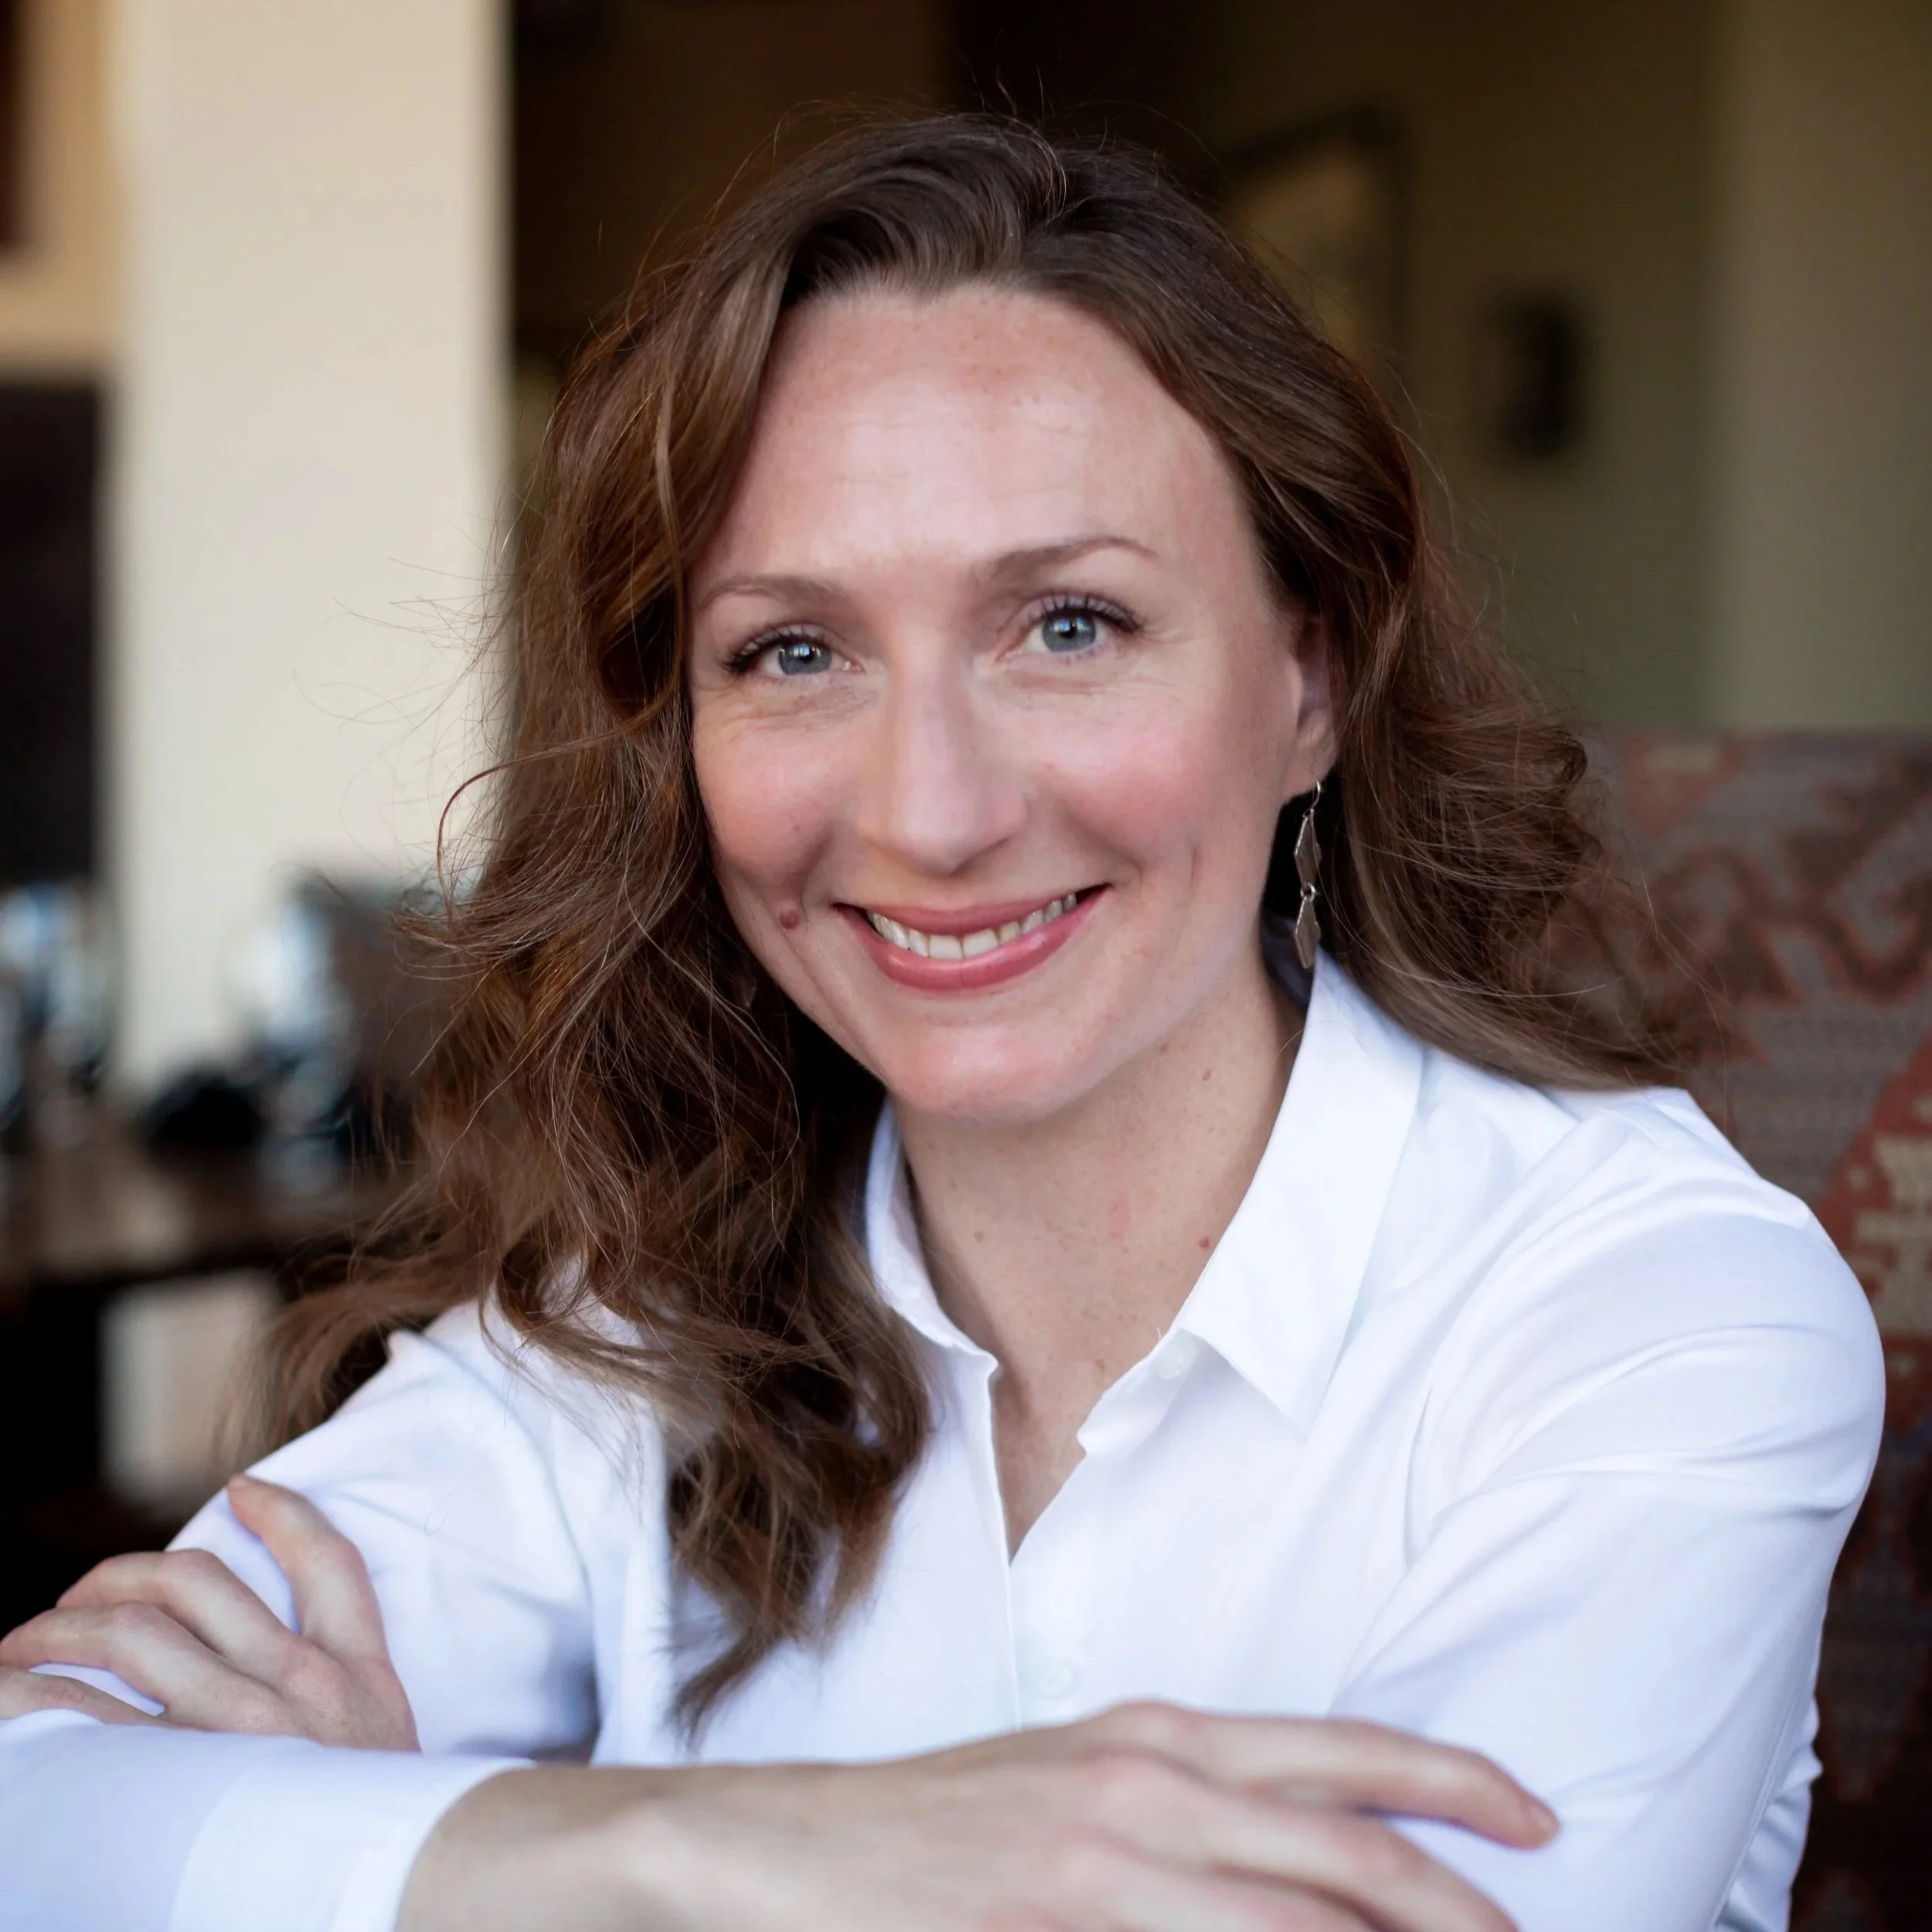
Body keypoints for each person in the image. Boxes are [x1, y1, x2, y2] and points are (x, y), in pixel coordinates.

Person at [0, 116, 1882, 1932]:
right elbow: (35, 1802)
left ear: (1308, 678)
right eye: (792, 651)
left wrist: (437, 1861)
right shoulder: (634, 1318)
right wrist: (730, 1854)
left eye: (1064, 623)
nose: (930, 809)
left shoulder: (1652, 1316)